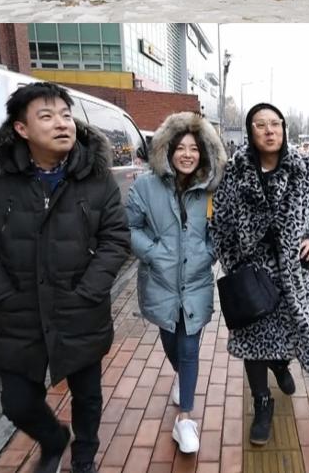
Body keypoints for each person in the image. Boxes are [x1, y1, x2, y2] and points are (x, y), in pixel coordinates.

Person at [0, 83, 130, 473]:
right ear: (21, 129)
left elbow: (115, 238)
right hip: (19, 310)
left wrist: (91, 289)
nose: (61, 124)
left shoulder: (96, 177)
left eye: (66, 115)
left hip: (80, 307)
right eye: (47, 116)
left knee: (87, 394)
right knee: (16, 401)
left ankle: (84, 455)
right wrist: (1, 292)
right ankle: (54, 438)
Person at [211, 103, 309, 446]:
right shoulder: (236, 173)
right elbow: (220, 222)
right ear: (251, 133)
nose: (269, 131)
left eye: (275, 124)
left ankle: (281, 365)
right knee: (254, 345)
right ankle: (262, 403)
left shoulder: (306, 169)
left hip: (292, 278)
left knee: (288, 338)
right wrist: (232, 260)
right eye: (260, 125)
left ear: (283, 129)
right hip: (251, 277)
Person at [125, 112, 226, 455]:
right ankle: (181, 380)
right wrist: (153, 252)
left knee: (188, 347)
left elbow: (221, 232)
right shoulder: (145, 186)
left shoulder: (212, 190)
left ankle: (186, 418)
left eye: (194, 148)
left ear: (204, 153)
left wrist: (207, 254)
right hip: (160, 280)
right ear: (167, 150)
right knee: (170, 342)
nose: (187, 154)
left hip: (196, 282)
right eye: (180, 147)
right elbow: (129, 227)